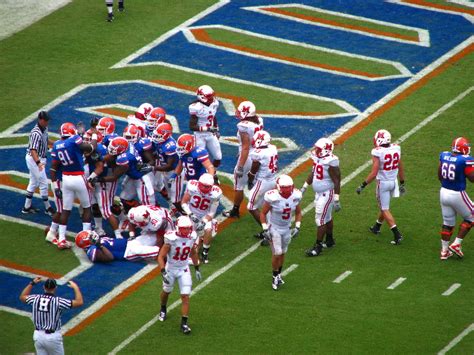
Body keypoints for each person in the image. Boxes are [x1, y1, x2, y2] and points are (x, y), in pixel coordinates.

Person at [50, 123, 97, 249]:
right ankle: (86, 238)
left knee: (66, 210)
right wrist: (94, 136)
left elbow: (54, 166)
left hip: (65, 178)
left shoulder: (56, 145)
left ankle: (61, 239)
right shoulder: (74, 139)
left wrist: (55, 186)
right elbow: (90, 148)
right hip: (78, 177)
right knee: (87, 208)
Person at [356, 129, 405, 245]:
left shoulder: (377, 152)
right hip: (394, 182)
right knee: (385, 206)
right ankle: (376, 227)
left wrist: (362, 185)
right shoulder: (396, 148)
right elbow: (400, 166)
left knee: (384, 209)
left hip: (383, 183)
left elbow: (373, 173)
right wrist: (402, 182)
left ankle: (397, 234)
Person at [157, 216, 202, 334]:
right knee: (166, 291)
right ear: (178, 228)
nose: (187, 231)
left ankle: (184, 323)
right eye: (184, 228)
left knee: (185, 296)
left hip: (184, 269)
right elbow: (161, 256)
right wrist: (163, 272)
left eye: (188, 228)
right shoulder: (171, 239)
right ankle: (163, 308)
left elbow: (193, 252)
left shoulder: (192, 237)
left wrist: (197, 268)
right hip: (171, 269)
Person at [20, 277, 83, 355]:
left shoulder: (35, 298)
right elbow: (79, 302)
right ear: (55, 288)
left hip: (38, 336)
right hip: (52, 337)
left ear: (44, 287)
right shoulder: (58, 301)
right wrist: (76, 287)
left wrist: (32, 283)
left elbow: (22, 297)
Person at [260, 175, 302, 291]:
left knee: (283, 252)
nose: (287, 190)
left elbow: (298, 212)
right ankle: (274, 276)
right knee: (277, 252)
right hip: (275, 228)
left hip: (287, 228)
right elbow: (263, 213)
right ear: (279, 187)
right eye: (285, 187)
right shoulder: (272, 197)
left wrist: (297, 226)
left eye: (289, 187)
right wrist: (265, 229)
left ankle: (278, 274)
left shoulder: (296, 195)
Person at [223, 101, 264, 218]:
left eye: (241, 111)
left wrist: (240, 165)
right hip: (258, 153)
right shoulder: (259, 120)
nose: (238, 112)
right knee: (257, 181)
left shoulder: (244, 126)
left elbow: (245, 147)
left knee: (239, 185)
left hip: (248, 156)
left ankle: (235, 211)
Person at [302, 138, 341, 257]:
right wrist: (304, 187)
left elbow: (337, 180)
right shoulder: (318, 158)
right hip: (319, 193)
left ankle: (317, 247)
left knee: (320, 220)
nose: (316, 150)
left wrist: (336, 199)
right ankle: (329, 240)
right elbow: (313, 172)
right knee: (327, 218)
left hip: (326, 194)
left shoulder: (331, 161)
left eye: (318, 149)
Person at [438, 137, 474, 260]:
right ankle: (456, 244)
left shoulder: (444, 156)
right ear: (462, 148)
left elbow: (439, 175)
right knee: (471, 216)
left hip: (443, 192)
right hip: (457, 193)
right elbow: (472, 178)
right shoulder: (464, 160)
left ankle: (444, 252)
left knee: (447, 223)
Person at [181, 173, 222, 263]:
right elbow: (183, 203)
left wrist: (204, 222)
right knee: (186, 240)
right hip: (191, 214)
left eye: (207, 187)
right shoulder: (192, 186)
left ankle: (205, 252)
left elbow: (212, 212)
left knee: (208, 230)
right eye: (202, 186)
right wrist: (190, 214)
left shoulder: (216, 193)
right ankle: (198, 238)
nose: (204, 188)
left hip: (204, 215)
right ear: (198, 183)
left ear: (211, 186)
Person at [247, 130, 278, 244]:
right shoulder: (273, 148)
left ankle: (267, 231)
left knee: (251, 206)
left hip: (263, 182)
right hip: (273, 179)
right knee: (267, 205)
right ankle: (271, 229)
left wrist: (250, 178)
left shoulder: (258, 153)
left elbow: (254, 168)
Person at [23, 111, 55, 216]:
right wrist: (38, 163)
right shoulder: (35, 133)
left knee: (33, 182)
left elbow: (46, 140)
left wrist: (57, 144)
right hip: (34, 159)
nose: (47, 122)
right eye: (46, 121)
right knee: (43, 183)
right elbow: (33, 150)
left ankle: (26, 207)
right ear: (41, 120)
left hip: (40, 158)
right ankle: (48, 207)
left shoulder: (44, 129)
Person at [189, 85, 222, 174]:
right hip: (199, 136)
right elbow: (192, 126)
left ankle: (213, 173)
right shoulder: (196, 107)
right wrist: (207, 128)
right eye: (209, 96)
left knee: (218, 157)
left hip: (210, 134)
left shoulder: (215, 103)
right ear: (202, 97)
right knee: (200, 159)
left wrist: (216, 129)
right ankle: (198, 175)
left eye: (212, 95)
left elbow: (213, 116)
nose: (212, 98)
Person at [75, 230, 160, 262]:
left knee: (158, 235)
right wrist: (100, 246)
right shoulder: (92, 250)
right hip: (129, 252)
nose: (93, 235)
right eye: (90, 237)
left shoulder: (95, 243)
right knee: (157, 251)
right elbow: (109, 257)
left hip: (132, 242)